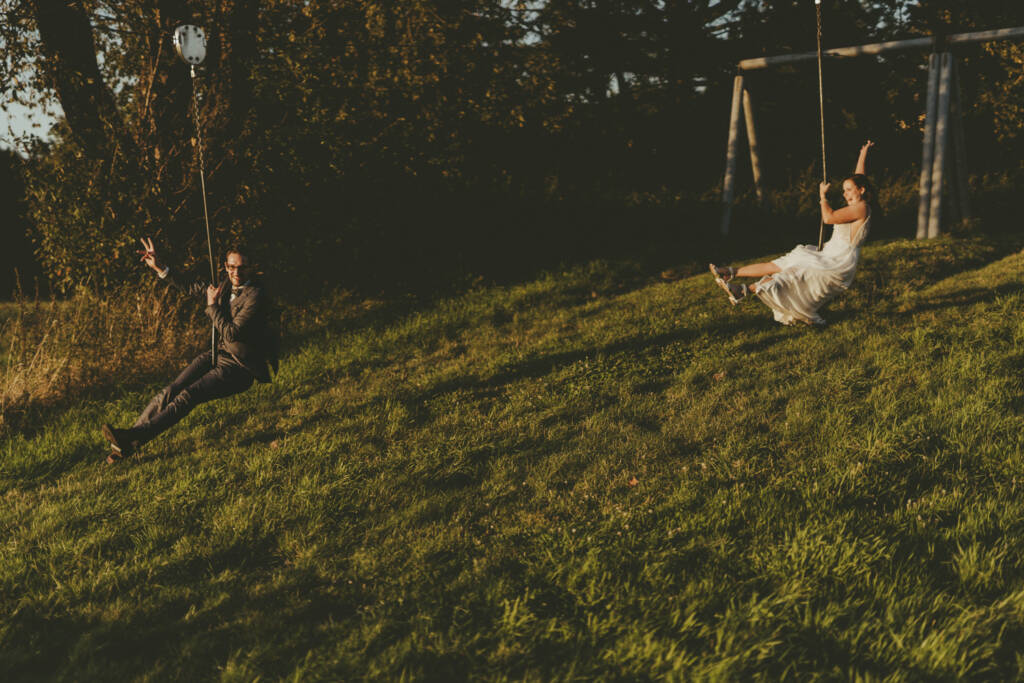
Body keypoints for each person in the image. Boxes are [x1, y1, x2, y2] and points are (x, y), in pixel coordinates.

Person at [101, 238, 278, 463]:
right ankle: (124, 445)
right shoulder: (224, 284)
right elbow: (191, 286)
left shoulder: (256, 295)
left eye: (242, 267)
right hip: (218, 355)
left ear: (251, 266)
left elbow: (231, 333)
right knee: (170, 390)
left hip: (240, 367)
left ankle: (131, 437)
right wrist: (159, 267)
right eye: (232, 267)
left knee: (189, 396)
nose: (236, 272)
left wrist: (212, 306)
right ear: (225, 266)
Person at [709, 141, 876, 326]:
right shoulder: (858, 203)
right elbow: (859, 177)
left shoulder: (861, 208)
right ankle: (731, 273)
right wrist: (863, 153)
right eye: (844, 190)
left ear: (861, 190)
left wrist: (822, 197)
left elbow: (828, 218)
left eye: (849, 190)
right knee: (779, 264)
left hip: (837, 261)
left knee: (788, 275)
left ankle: (743, 290)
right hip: (827, 253)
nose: (845, 194)